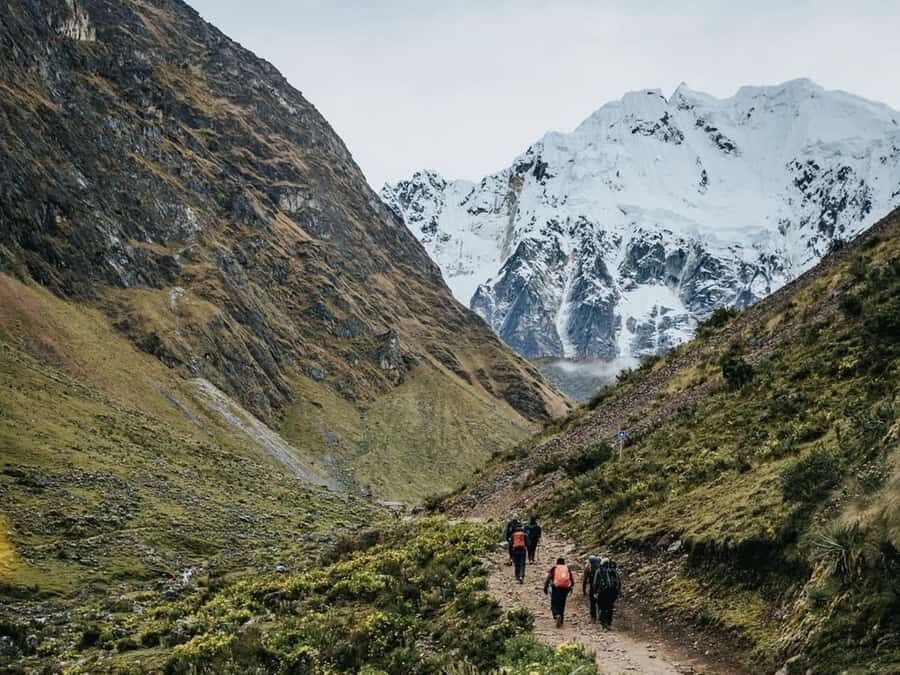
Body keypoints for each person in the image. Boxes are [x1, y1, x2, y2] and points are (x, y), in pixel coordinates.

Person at [544, 557, 575, 627]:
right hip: (565, 589)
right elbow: (571, 579)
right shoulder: (567, 568)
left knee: (554, 603)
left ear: (557, 562)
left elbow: (548, 578)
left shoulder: (554, 568)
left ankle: (556, 615)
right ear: (564, 562)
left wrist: (545, 588)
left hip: (556, 588)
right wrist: (571, 586)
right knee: (562, 603)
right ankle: (561, 619)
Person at [592, 557, 622, 629]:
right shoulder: (613, 571)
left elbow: (595, 583)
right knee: (610, 606)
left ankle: (603, 622)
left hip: (602, 591)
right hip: (612, 592)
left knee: (602, 606)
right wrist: (618, 592)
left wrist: (595, 592)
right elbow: (619, 582)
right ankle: (609, 622)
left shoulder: (599, 571)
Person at [582, 555, 602, 622]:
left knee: (592, 602)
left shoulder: (588, 567)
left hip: (592, 587)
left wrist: (584, 591)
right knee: (600, 601)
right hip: (601, 587)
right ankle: (601, 617)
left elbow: (585, 580)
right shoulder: (601, 566)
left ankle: (593, 617)